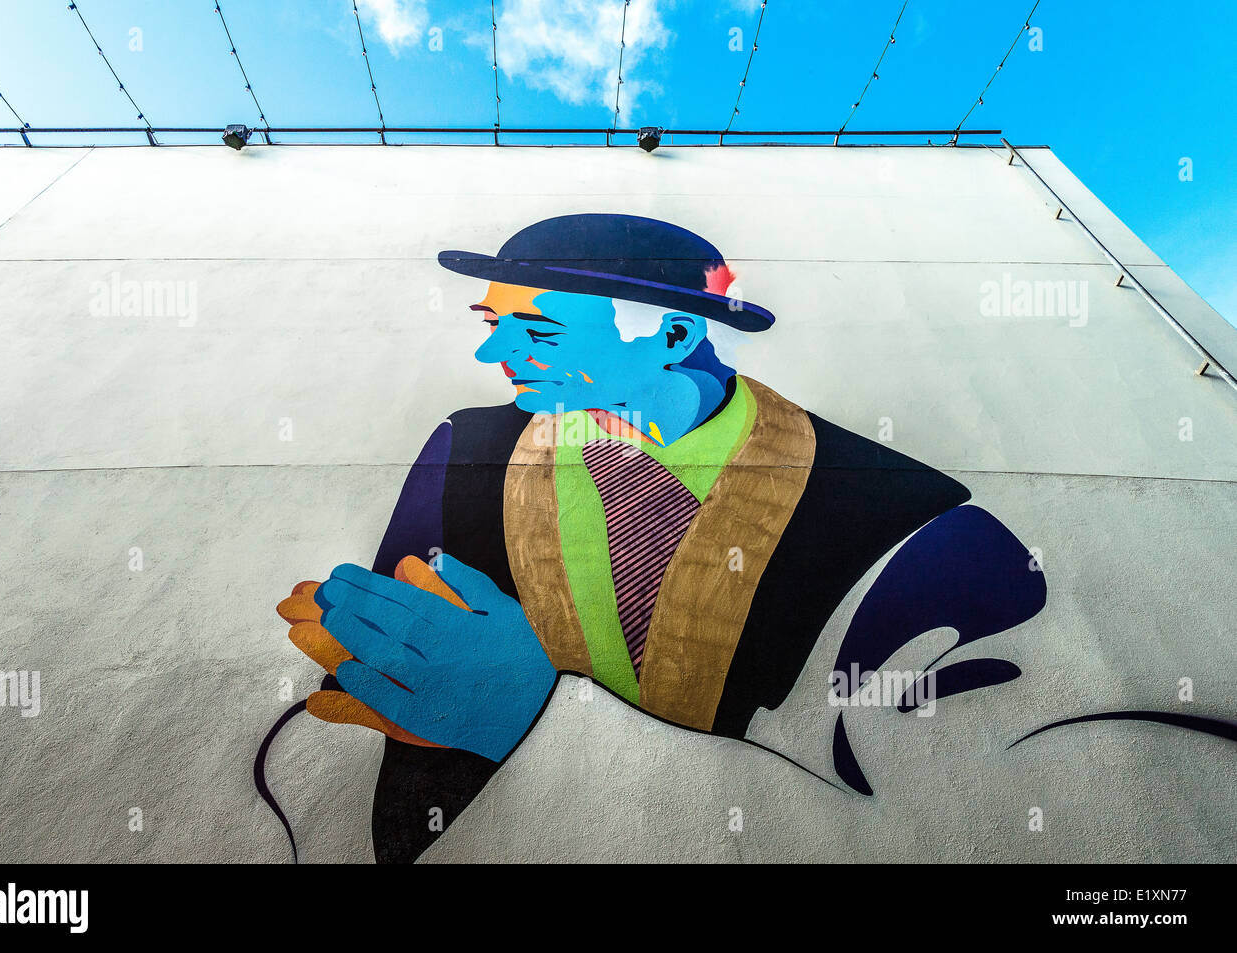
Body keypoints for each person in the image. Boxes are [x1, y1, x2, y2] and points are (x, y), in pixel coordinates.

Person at [265, 213, 1048, 863]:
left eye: (534, 331)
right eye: (492, 323)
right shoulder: (465, 454)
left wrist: (531, 715)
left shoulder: (912, 519)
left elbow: (941, 812)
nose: (491, 354)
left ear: (673, 336)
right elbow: (388, 676)